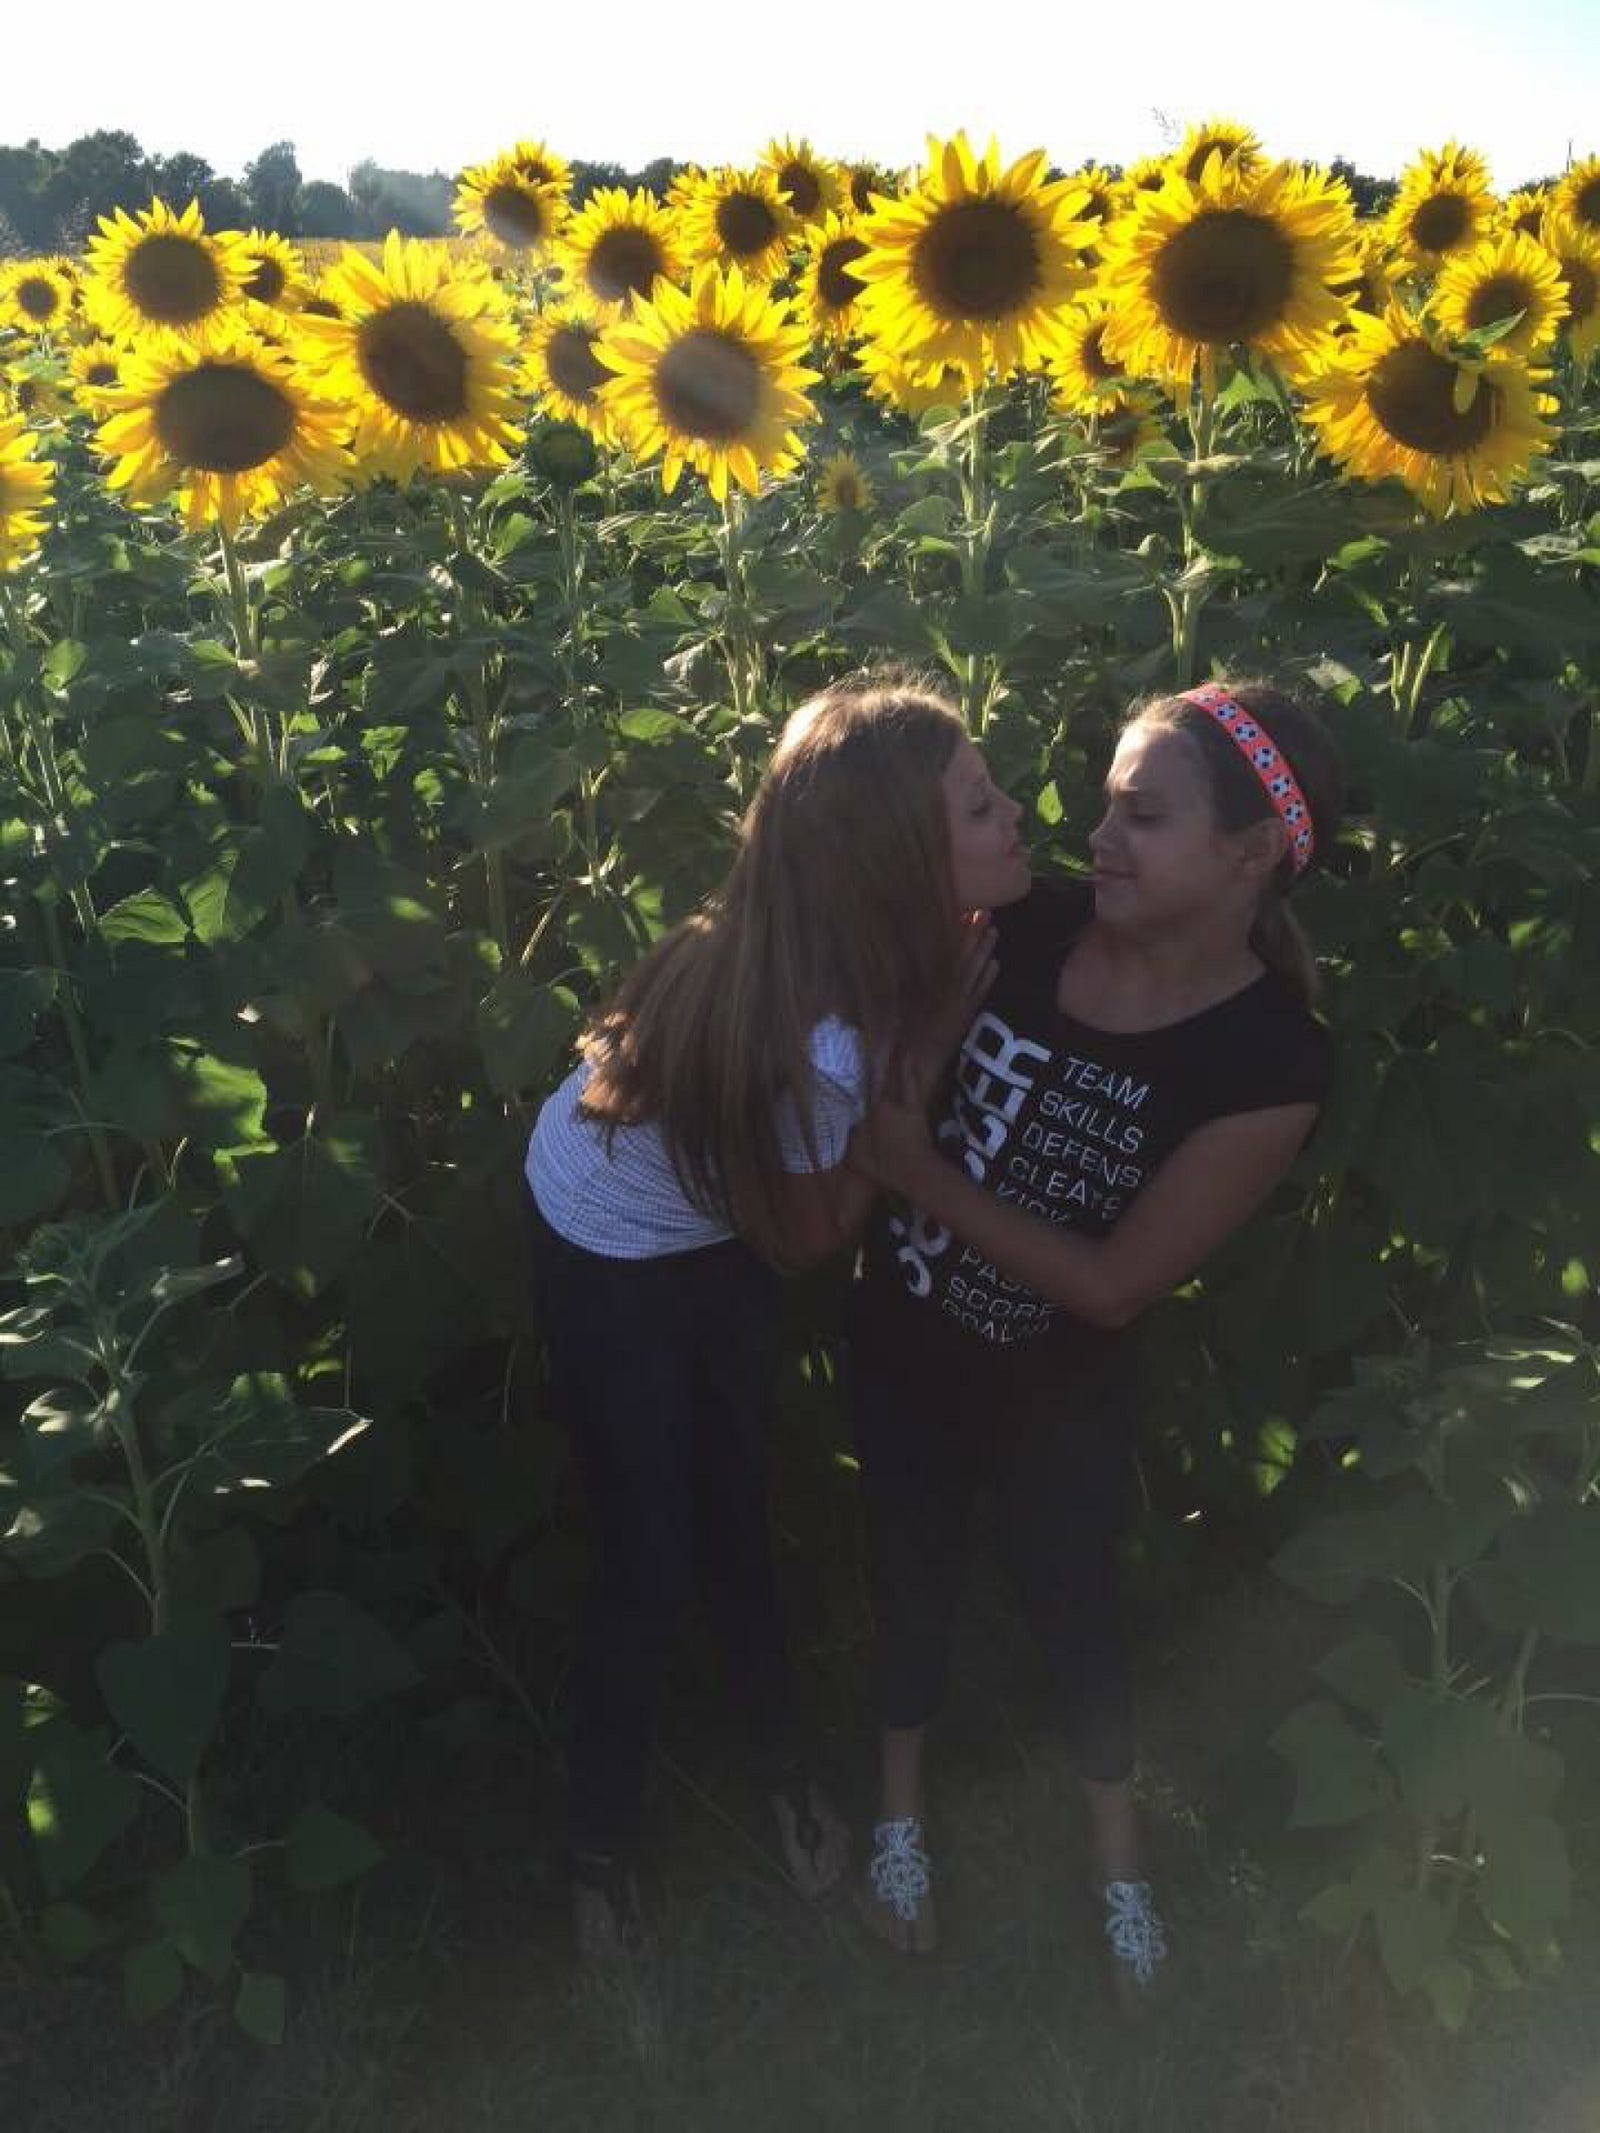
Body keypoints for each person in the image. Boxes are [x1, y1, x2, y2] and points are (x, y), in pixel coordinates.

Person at [845, 677, 1345, 2000]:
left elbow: (1117, 1286)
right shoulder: (1027, 924)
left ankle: (1119, 1862)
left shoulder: (1269, 1061)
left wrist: (915, 1170)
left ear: (1251, 851)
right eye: (1107, 805)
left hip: (1057, 1386)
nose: (1100, 837)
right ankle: (897, 1817)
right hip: (904, 1328)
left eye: (1145, 817)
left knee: (1075, 1600)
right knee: (908, 1572)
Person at [523, 673, 1027, 1963]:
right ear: (901, 867)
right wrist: (910, 1091)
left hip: (701, 1213)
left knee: (738, 1514)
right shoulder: (826, 1039)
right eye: (981, 805)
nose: (1018, 815)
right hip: (613, 1249)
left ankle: (780, 1771)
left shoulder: (813, 934)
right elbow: (809, 1240)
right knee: (649, 1556)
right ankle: (598, 1847)